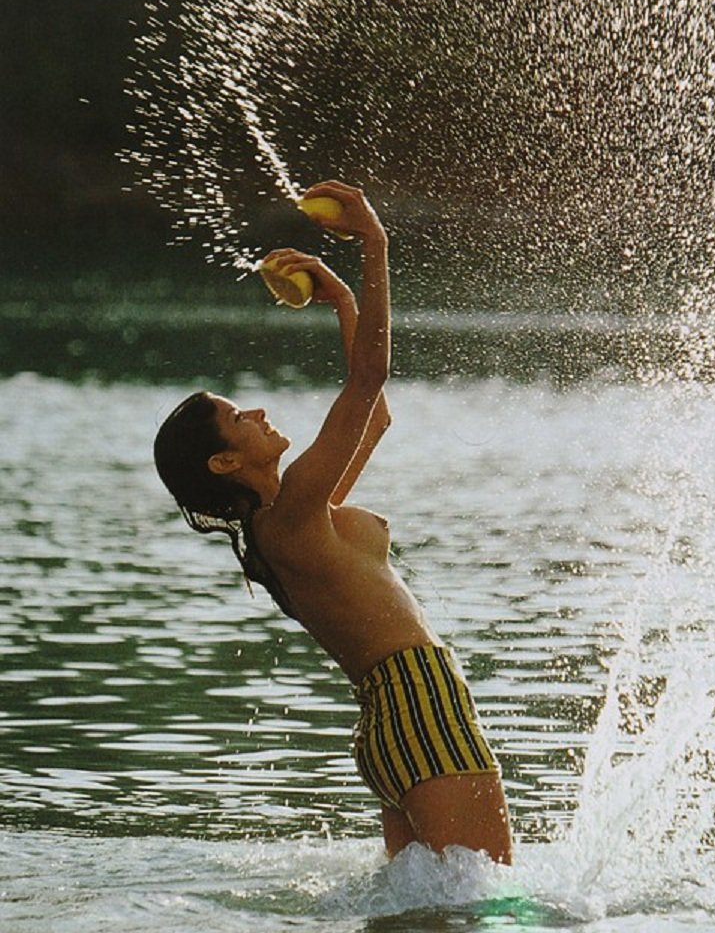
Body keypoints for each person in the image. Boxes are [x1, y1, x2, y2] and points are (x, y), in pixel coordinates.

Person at [153, 180, 512, 864]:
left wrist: (343, 301)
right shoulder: (286, 523)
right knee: (488, 908)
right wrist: (374, 246)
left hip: (392, 721)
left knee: (433, 913)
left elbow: (373, 416)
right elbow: (368, 381)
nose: (256, 412)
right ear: (226, 463)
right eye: (238, 419)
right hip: (419, 701)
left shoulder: (293, 521)